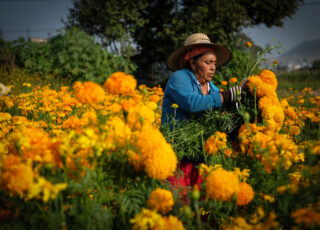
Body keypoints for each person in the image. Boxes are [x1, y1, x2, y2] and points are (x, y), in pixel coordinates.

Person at [161, 33, 243, 198]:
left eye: (214, 63)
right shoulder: (179, 78)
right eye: (208, 62)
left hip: (201, 158)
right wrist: (225, 96)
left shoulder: (211, 87)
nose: (213, 67)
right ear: (192, 62)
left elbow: (216, 116)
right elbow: (192, 103)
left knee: (203, 208)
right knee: (178, 205)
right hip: (177, 155)